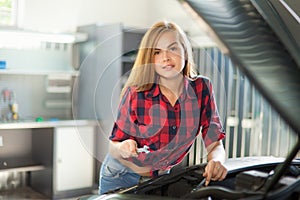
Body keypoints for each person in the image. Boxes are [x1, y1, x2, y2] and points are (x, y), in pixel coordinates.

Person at [99, 21, 227, 194]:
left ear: (185, 52)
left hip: (161, 179)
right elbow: (113, 146)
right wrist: (124, 147)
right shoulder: (137, 93)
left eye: (172, 48)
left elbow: (214, 143)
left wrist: (217, 160)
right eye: (157, 52)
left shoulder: (201, 88)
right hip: (121, 176)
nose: (165, 58)